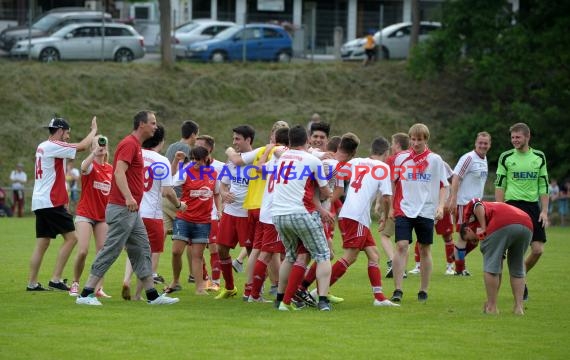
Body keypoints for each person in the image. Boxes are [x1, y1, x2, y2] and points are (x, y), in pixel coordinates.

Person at [76, 110, 180, 306]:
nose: (155, 127)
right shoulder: (129, 144)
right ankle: (85, 294)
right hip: (123, 208)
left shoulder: (135, 146)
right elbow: (119, 172)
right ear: (142, 124)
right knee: (112, 249)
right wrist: (129, 197)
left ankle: (152, 295)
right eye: (153, 123)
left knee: (142, 248)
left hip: (131, 210)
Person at [27, 116, 97, 292]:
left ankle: (32, 283)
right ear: (60, 131)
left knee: (42, 243)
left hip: (40, 201)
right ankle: (56, 279)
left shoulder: (42, 146)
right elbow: (82, 147)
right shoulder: (54, 145)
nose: (67, 136)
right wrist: (93, 131)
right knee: (72, 238)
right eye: (67, 133)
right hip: (51, 201)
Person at [327, 136, 399, 306]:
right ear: (386, 152)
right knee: (350, 257)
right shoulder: (383, 167)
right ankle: (318, 290)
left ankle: (379, 297)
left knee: (374, 254)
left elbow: (338, 169)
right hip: (357, 216)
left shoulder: (357, 161)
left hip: (351, 214)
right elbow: (387, 198)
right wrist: (386, 216)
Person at [225, 120, 289, 301]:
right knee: (269, 251)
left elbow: (237, 160)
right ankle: (272, 288)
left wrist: (229, 151)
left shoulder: (262, 150)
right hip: (267, 206)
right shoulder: (285, 154)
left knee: (258, 249)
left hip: (253, 206)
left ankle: (251, 289)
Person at [272, 125, 333, 311]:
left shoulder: (282, 157)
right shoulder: (312, 160)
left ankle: (280, 298)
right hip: (301, 212)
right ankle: (323, 300)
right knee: (323, 254)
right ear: (306, 139)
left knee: (290, 255)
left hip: (278, 214)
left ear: (290, 140)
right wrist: (330, 189)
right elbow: (324, 191)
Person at [122, 125, 186, 300]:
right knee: (151, 254)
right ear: (161, 141)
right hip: (152, 214)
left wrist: (175, 163)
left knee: (133, 250)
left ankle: (126, 279)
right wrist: (179, 204)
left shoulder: (136, 155)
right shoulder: (160, 160)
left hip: (133, 210)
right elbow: (166, 190)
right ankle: (137, 294)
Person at [389, 123, 449, 303]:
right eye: (413, 139)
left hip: (426, 210)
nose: (415, 143)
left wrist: (440, 206)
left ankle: (423, 290)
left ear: (426, 140)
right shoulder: (400, 158)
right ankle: (398, 289)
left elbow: (444, 185)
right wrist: (391, 206)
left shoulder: (435, 160)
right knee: (401, 245)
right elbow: (393, 182)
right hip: (404, 208)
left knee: (424, 248)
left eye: (419, 140)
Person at [495, 122, 549, 301]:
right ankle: (494, 297)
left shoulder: (539, 157)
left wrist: (544, 211)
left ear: (527, 137)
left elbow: (543, 185)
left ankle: (520, 276)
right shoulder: (506, 157)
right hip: (511, 206)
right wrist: (499, 208)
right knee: (503, 253)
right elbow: (500, 184)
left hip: (532, 208)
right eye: (512, 137)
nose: (514, 141)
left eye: (518, 137)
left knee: (538, 250)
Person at [458, 198, 532, 315]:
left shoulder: (469, 218)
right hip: (526, 223)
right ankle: (519, 308)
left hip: (502, 222)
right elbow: (499, 263)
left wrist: (483, 227)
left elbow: (476, 203)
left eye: (470, 239)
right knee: (517, 267)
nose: (474, 242)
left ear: (467, 229)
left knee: (491, 268)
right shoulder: (493, 206)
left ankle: (492, 307)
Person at [166, 145, 220, 295]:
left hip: (203, 221)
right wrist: (177, 203)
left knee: (198, 255)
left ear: (206, 159)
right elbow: (169, 183)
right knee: (176, 251)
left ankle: (200, 288)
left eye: (198, 160)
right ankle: (175, 281)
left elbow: (216, 193)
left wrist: (219, 211)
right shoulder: (186, 171)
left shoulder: (213, 173)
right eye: (193, 159)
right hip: (184, 218)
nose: (195, 162)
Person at [214, 125, 255, 300]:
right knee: (221, 249)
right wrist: (224, 194)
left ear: (248, 140)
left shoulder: (257, 160)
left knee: (254, 253)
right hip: (231, 213)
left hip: (248, 214)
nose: (234, 142)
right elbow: (222, 185)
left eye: (238, 139)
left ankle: (253, 289)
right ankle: (229, 287)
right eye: (233, 139)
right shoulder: (231, 162)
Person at [69, 135, 113, 297]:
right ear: (91, 147)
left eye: (103, 144)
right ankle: (75, 282)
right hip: (85, 214)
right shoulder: (90, 165)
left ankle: (98, 287)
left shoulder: (111, 169)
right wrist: (94, 153)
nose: (101, 147)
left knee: (102, 253)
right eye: (97, 144)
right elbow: (83, 166)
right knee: (83, 251)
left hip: (102, 217)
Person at [448, 131, 491, 276]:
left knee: (475, 239)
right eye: (480, 143)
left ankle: (456, 258)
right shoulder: (468, 158)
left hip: (477, 205)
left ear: (489, 145)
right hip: (464, 204)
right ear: (475, 143)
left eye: (485, 143)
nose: (483, 145)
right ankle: (459, 269)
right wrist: (453, 199)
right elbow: (456, 177)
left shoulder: (484, 159)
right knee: (463, 237)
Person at [163, 120, 199, 284]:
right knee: (188, 238)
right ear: (193, 134)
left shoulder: (171, 146)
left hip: (166, 195)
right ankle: (193, 274)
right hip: (180, 198)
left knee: (161, 234)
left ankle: (152, 271)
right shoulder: (188, 150)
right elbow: (187, 174)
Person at [381, 132, 409, 279]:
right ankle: (402, 268)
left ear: (397, 144)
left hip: (397, 204)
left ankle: (394, 263)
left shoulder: (392, 159)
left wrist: (385, 207)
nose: (391, 146)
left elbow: (388, 185)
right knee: (403, 240)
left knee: (384, 235)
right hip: (411, 206)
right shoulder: (413, 158)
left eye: (393, 143)